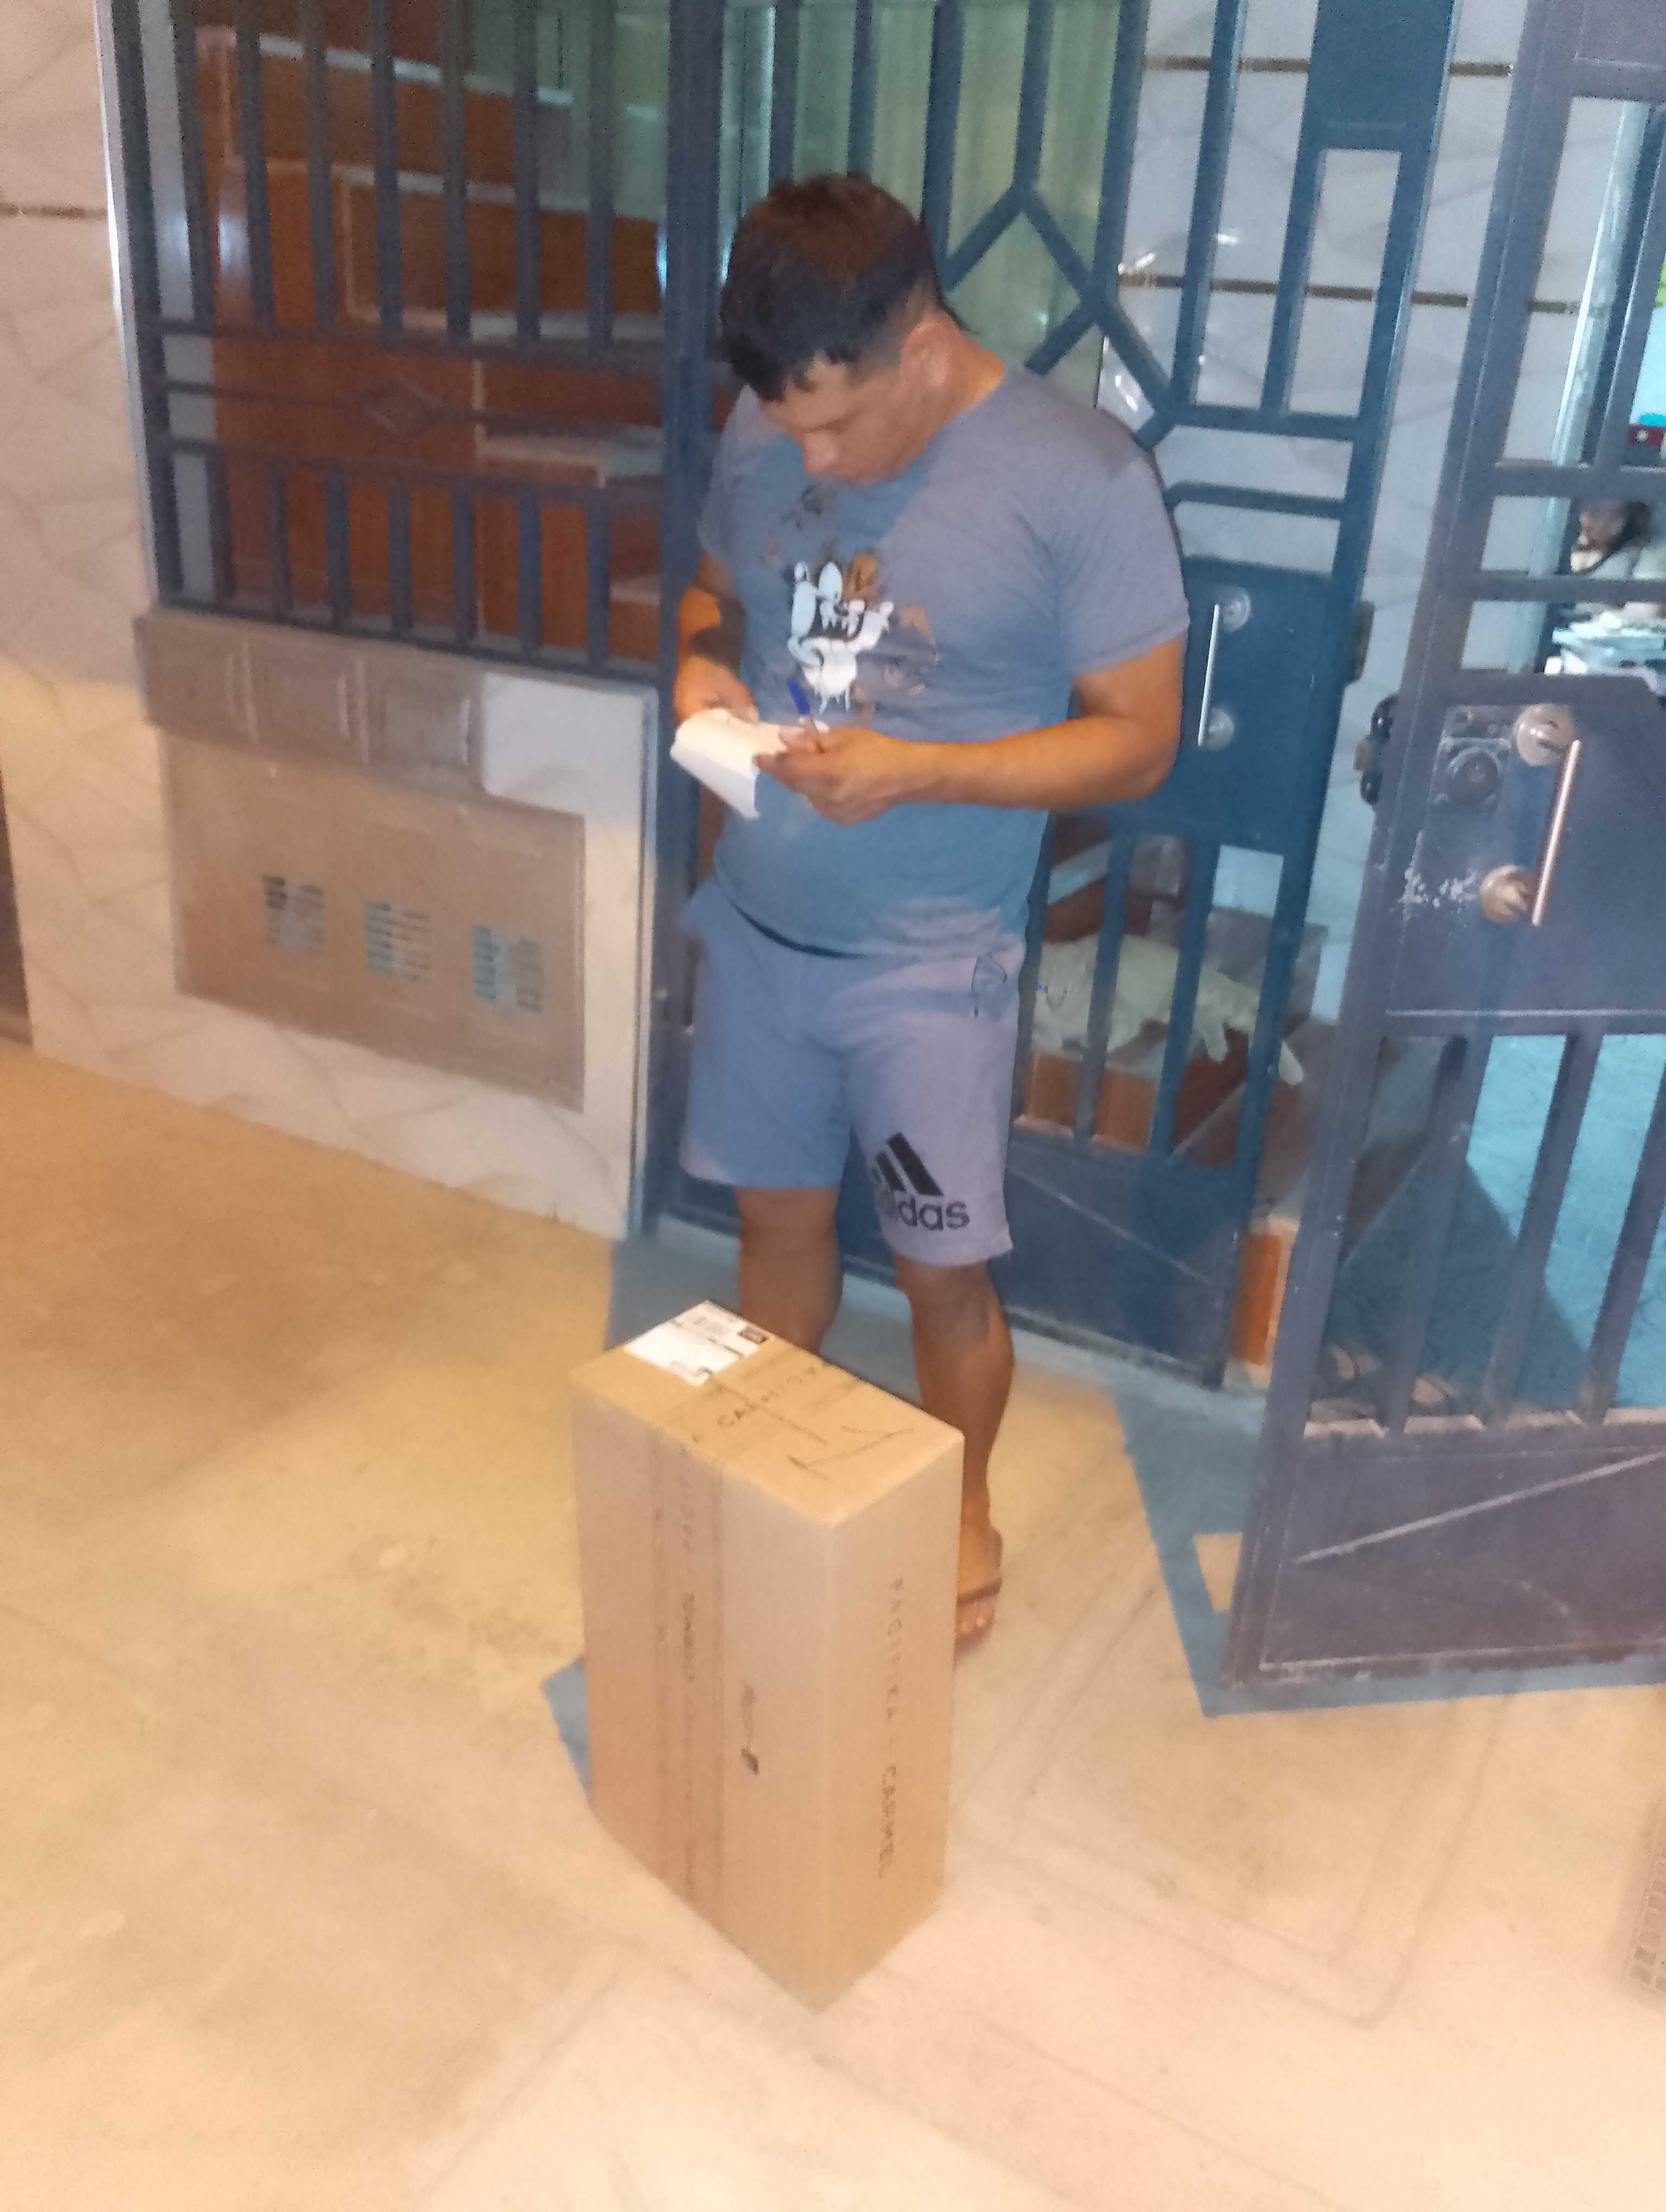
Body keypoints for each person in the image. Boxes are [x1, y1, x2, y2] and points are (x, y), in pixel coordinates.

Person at [672, 176, 1188, 1645]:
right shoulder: (766, 423)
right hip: (758, 932)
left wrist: (919, 772)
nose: (811, 455)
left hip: (929, 970)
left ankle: (959, 1503)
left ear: (920, 342)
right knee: (772, 1236)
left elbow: (1139, 742)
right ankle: (770, 1473)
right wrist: (700, 662)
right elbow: (714, 591)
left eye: (838, 423)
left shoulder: (1080, 478)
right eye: (789, 425)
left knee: (940, 1280)